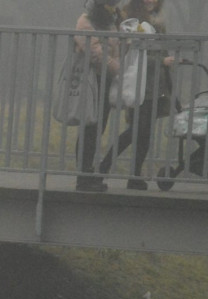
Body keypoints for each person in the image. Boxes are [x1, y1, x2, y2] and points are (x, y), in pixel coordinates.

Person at [98, 0, 176, 189]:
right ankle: (104, 166)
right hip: (139, 82)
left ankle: (133, 175)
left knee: (144, 133)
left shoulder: (158, 20)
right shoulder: (129, 18)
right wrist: (162, 61)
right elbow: (130, 53)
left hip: (155, 84)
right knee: (136, 130)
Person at [74, 0, 123, 192]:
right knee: (89, 126)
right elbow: (95, 52)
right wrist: (118, 68)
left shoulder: (111, 22)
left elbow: (117, 48)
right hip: (90, 80)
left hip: (106, 81)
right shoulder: (85, 21)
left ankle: (88, 172)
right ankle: (83, 176)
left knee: (98, 127)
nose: (112, 7)